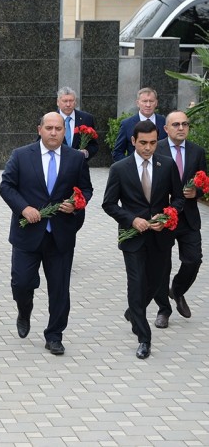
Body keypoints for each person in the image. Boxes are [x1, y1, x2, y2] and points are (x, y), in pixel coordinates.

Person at [0, 113, 93, 355]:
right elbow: (6, 186)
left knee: (60, 289)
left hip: (60, 235)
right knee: (21, 283)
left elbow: (86, 189)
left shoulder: (75, 158)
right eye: (49, 128)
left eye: (58, 128)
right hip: (27, 234)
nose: (53, 132)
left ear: (65, 131)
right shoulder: (21, 155)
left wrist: (76, 203)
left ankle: (54, 335)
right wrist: (24, 208)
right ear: (39, 129)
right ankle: (24, 310)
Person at [102, 120, 184, 359]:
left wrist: (167, 216)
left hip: (160, 237)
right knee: (136, 285)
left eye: (152, 143)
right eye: (143, 143)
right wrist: (131, 219)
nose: (148, 148)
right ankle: (144, 337)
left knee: (157, 281)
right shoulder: (120, 168)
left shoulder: (167, 165)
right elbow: (108, 204)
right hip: (133, 238)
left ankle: (133, 312)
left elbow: (178, 200)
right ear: (133, 142)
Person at [152, 110, 206, 325]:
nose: (181, 128)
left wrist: (198, 193)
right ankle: (163, 311)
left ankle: (178, 289)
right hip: (165, 217)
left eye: (185, 124)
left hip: (189, 217)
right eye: (176, 124)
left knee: (193, 260)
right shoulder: (157, 148)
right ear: (166, 129)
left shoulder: (197, 151)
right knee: (162, 265)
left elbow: (203, 180)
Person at [112, 87, 167, 162]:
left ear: (156, 103)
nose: (148, 105)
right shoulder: (127, 124)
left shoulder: (165, 122)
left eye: (151, 101)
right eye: (144, 101)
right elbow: (117, 152)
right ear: (138, 103)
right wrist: (130, 165)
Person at [56, 87, 99, 162]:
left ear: (75, 102)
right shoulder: (49, 119)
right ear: (58, 102)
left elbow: (94, 145)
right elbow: (41, 143)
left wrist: (86, 152)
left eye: (71, 101)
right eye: (65, 101)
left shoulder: (87, 118)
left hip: (80, 167)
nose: (68, 104)